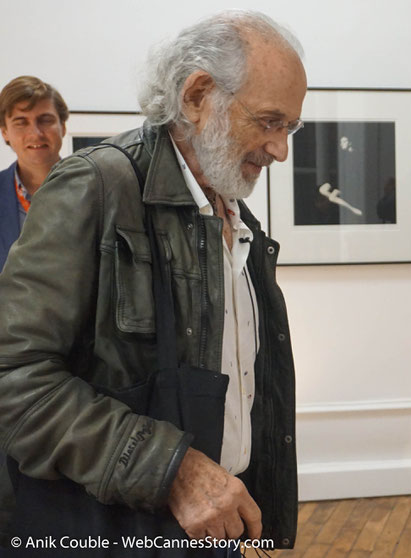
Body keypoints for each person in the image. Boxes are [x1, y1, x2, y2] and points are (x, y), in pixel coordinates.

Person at [0, 10, 306, 556]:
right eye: (269, 121)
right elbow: (14, 378)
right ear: (197, 95)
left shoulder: (239, 221)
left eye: (290, 127)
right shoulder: (95, 187)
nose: (281, 149)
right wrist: (174, 471)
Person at [0, 75, 68, 271]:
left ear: (62, 126)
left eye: (45, 120)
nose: (35, 133)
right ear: (5, 132)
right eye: (21, 122)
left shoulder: (96, 190)